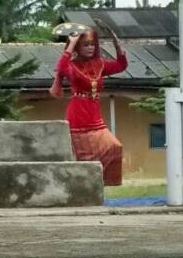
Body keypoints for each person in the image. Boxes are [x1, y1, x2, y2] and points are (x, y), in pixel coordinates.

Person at [49, 25, 128, 186]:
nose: (90, 47)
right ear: (78, 46)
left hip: (94, 113)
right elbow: (61, 68)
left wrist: (117, 45)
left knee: (114, 147)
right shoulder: (72, 65)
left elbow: (121, 66)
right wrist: (70, 44)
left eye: (92, 44)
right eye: (85, 44)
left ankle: (100, 182)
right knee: (83, 154)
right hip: (78, 113)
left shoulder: (99, 64)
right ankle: (81, 185)